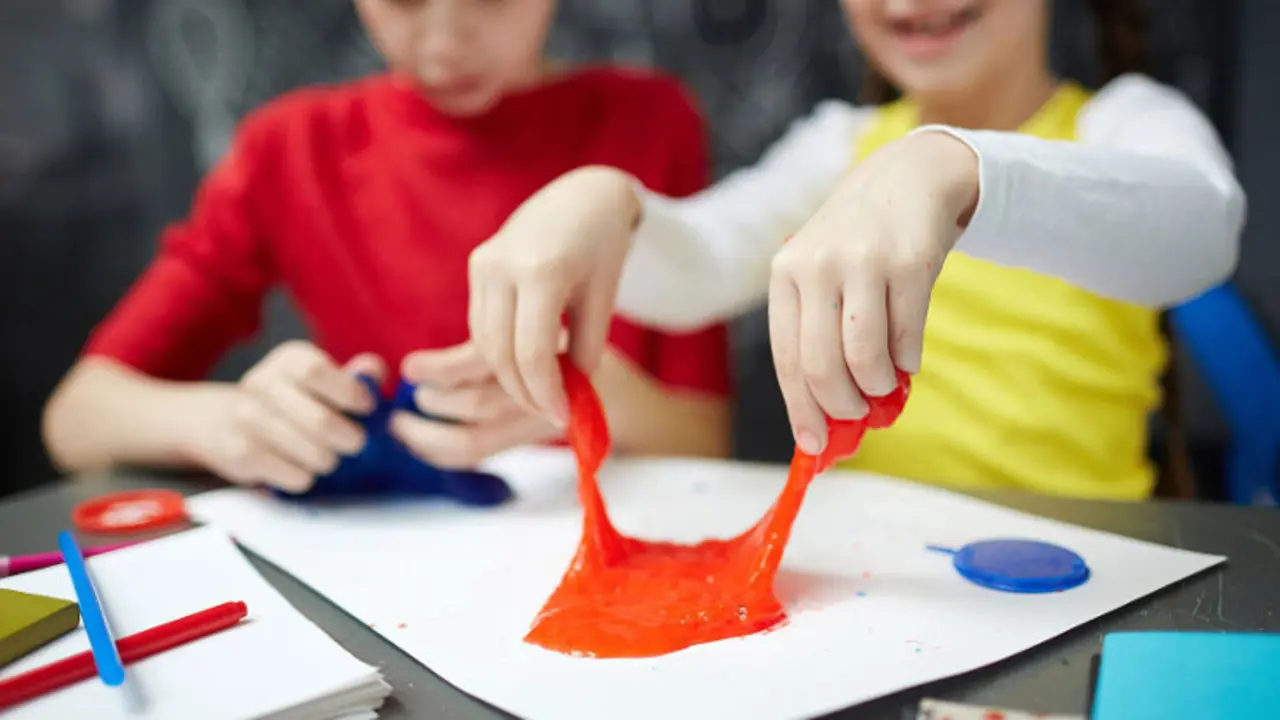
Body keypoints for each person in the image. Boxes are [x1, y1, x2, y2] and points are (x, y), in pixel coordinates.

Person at [466, 0, 1246, 499]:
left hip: (1086, 564)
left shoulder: (1123, 120)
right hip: (888, 570)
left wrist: (958, 169)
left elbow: (1201, 235)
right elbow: (703, 262)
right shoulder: (839, 145)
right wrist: (610, 203)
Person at [41, 0, 733, 493]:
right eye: (402, 0)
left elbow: (707, 441)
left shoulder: (652, 120)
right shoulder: (288, 150)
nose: (444, 43)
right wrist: (231, 423)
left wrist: (588, 386)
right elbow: (77, 418)